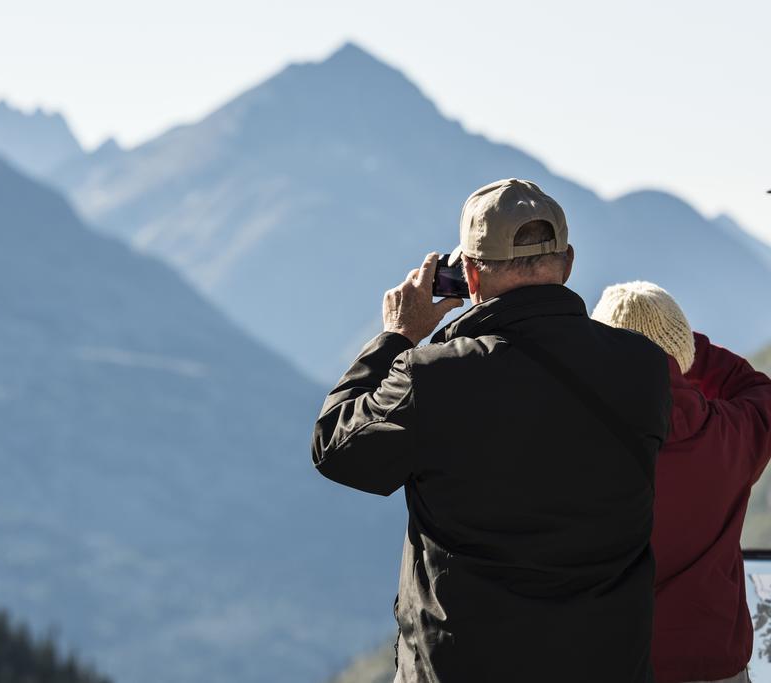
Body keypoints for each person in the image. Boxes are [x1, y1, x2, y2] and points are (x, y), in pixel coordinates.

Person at [311, 178, 673, 682]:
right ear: (567, 264)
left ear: (471, 278)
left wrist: (397, 336)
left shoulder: (432, 377)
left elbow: (337, 449)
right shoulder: (645, 369)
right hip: (607, 663)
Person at [593, 281, 771, 683]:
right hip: (714, 668)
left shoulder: (573, 446)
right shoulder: (730, 435)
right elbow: (759, 390)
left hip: (612, 663)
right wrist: (682, 347)